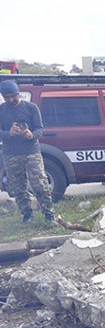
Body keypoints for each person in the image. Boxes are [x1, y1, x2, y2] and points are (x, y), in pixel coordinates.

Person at [0, 80, 55, 224]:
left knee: (40, 183)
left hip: (31, 151)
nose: (11, 100)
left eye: (13, 96)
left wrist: (32, 134)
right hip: (11, 153)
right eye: (7, 97)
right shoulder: (1, 109)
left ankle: (49, 215)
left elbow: (40, 129)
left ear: (19, 93)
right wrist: (8, 133)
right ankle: (26, 215)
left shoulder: (31, 108)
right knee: (17, 186)